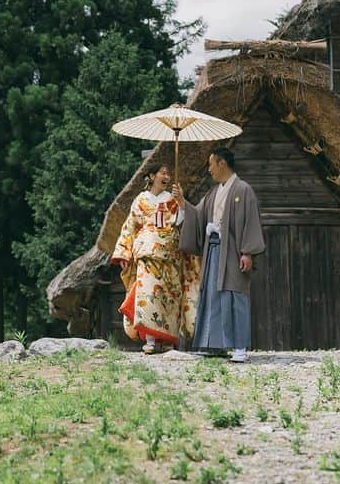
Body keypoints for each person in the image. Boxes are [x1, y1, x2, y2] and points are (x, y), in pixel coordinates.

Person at [174, 147, 265, 363]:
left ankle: (240, 346)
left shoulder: (243, 190)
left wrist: (247, 252)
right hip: (213, 249)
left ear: (222, 163)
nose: (209, 169)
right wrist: (182, 202)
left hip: (232, 251)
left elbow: (251, 221)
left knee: (234, 294)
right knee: (212, 294)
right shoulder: (214, 192)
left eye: (211, 164)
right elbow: (197, 215)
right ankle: (213, 345)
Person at [111, 164, 201, 354]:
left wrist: (181, 202)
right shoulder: (140, 200)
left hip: (171, 254)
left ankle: (168, 341)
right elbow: (130, 227)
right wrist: (124, 252)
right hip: (147, 253)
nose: (166, 176)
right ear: (152, 176)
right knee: (149, 295)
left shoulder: (172, 199)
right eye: (162, 172)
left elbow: (180, 222)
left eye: (168, 173)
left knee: (170, 296)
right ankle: (150, 339)